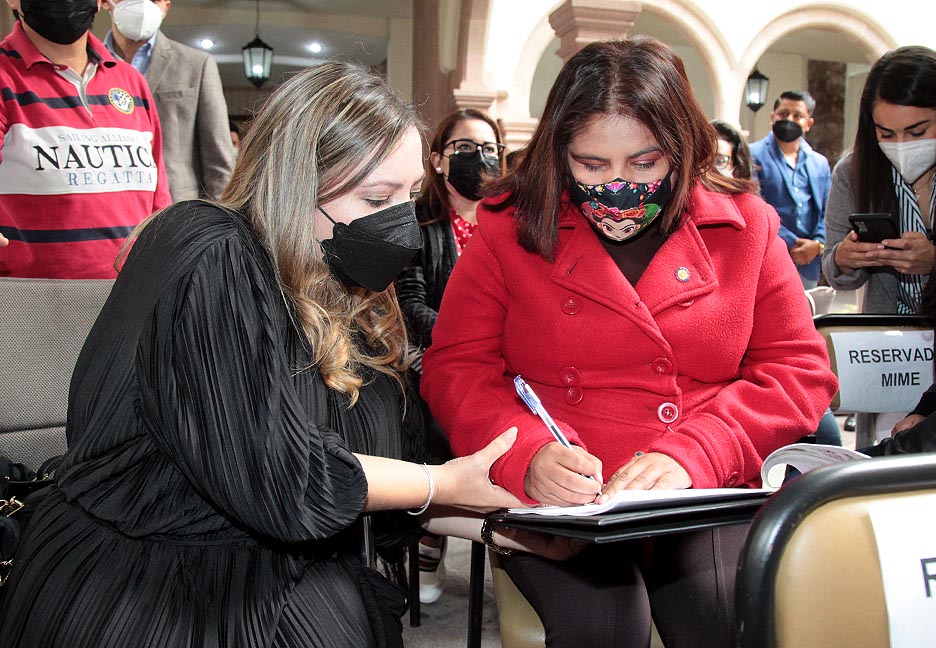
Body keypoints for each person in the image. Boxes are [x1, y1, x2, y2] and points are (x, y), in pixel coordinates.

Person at [0, 61, 582, 648]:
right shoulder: (207, 249)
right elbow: (286, 478)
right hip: (149, 586)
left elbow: (381, 474)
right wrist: (445, 485)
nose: (400, 224)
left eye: (408, 196)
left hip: (278, 572)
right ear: (293, 182)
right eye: (376, 196)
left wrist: (499, 520)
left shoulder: (344, 285)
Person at [420, 37, 837, 648]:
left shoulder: (746, 227)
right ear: (557, 153)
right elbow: (458, 367)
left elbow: (798, 370)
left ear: (684, 149)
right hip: (567, 495)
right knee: (601, 626)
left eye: (644, 164)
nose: (617, 186)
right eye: (591, 165)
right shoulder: (507, 227)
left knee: (719, 614)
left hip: (704, 486)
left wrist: (697, 452)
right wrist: (527, 456)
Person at [394, 108, 505, 604]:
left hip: (509, 366)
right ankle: (430, 536)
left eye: (488, 148)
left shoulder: (514, 224)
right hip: (436, 357)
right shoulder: (418, 222)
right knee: (446, 415)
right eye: (464, 148)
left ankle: (516, 550)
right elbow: (409, 303)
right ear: (437, 160)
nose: (477, 158)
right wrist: (473, 338)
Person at [0, 0, 171, 279]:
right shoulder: (5, 76)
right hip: (31, 303)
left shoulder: (130, 81)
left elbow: (158, 201)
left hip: (132, 296)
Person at [821, 46, 936, 446]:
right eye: (886, 133)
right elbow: (835, 269)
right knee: (890, 455)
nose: (902, 144)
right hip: (890, 350)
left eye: (918, 131)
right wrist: (846, 257)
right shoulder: (855, 171)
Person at [103, 0, 234, 201]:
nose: (142, 4)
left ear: (165, 6)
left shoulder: (196, 65)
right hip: (110, 203)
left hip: (178, 209)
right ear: (105, 2)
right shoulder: (86, 64)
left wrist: (219, 224)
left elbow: (219, 160)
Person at [749, 90, 832, 289]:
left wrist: (817, 244)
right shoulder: (752, 155)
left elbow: (828, 210)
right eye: (783, 114)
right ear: (772, 117)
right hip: (769, 258)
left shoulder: (819, 163)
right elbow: (754, 206)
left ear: (808, 123)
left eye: (797, 116)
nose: (789, 120)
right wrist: (790, 242)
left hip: (809, 263)